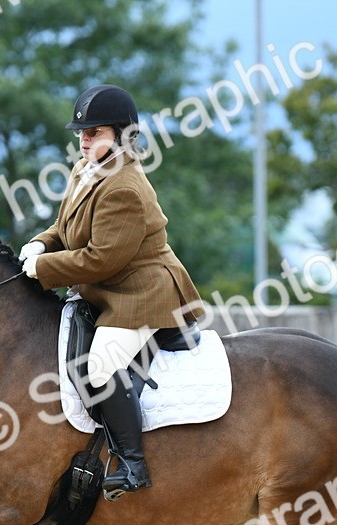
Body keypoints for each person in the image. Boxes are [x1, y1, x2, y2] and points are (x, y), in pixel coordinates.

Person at [20, 84, 204, 498]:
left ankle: (133, 464)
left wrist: (43, 268)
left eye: (94, 133)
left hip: (140, 293)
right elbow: (65, 228)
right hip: (109, 288)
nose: (84, 141)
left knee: (99, 367)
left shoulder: (124, 187)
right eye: (82, 134)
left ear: (121, 136)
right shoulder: (86, 170)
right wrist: (40, 244)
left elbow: (101, 259)